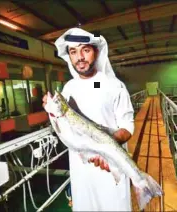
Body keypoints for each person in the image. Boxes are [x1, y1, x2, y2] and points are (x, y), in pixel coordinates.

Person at [43, 28, 134, 211]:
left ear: (96, 52)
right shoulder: (68, 88)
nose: (79, 57)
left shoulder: (114, 86)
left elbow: (127, 126)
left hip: (109, 167)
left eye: (85, 50)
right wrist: (51, 111)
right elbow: (64, 126)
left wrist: (105, 148)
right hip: (80, 170)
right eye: (73, 52)